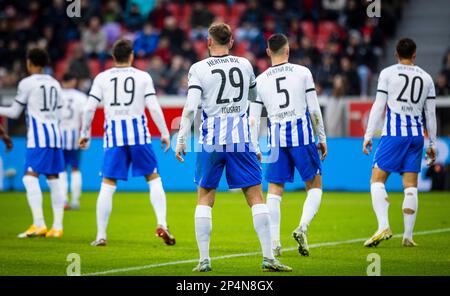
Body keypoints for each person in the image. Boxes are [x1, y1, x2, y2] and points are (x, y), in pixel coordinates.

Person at [175, 23, 292, 272]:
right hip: (240, 138)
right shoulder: (245, 64)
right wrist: (254, 140)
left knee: (205, 198)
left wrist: (182, 138)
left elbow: (190, 108)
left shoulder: (198, 68)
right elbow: (254, 104)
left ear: (208, 42)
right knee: (256, 197)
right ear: (231, 42)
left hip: (210, 140)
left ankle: (204, 260)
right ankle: (269, 257)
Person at [79, 39, 175, 247]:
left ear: (113, 57)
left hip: (113, 137)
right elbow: (154, 107)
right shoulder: (142, 76)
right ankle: (162, 223)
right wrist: (165, 132)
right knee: (153, 177)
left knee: (108, 184)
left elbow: (89, 108)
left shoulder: (102, 78)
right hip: (139, 135)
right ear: (131, 56)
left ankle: (101, 235)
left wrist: (84, 132)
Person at [249, 34, 327, 257]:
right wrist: (321, 137)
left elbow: (253, 118)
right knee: (314, 186)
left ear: (267, 53)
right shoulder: (302, 73)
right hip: (302, 135)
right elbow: (313, 109)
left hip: (276, 138)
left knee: (274, 190)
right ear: (288, 50)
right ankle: (302, 227)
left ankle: (274, 243)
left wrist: (254, 146)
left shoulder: (260, 80)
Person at [363, 38, 437, 247]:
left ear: (396, 54)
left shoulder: (387, 73)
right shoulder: (426, 78)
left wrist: (368, 135)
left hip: (394, 134)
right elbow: (430, 115)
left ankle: (383, 226)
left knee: (377, 180)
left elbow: (379, 105)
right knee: (410, 186)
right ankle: (408, 236)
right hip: (416, 137)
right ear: (414, 55)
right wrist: (431, 143)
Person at [0, 48, 65, 238]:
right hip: (55, 135)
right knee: (54, 179)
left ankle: (39, 224)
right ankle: (57, 227)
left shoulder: (27, 83)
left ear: (30, 63)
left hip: (39, 138)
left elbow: (13, 112)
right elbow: (59, 113)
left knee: (29, 177)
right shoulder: (55, 83)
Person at [59, 73, 87, 210]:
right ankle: (75, 201)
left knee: (62, 170)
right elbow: (86, 119)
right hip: (75, 137)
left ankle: (63, 200)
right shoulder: (80, 97)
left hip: (58, 138)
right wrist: (86, 136)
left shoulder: (56, 95)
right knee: (75, 169)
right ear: (73, 81)